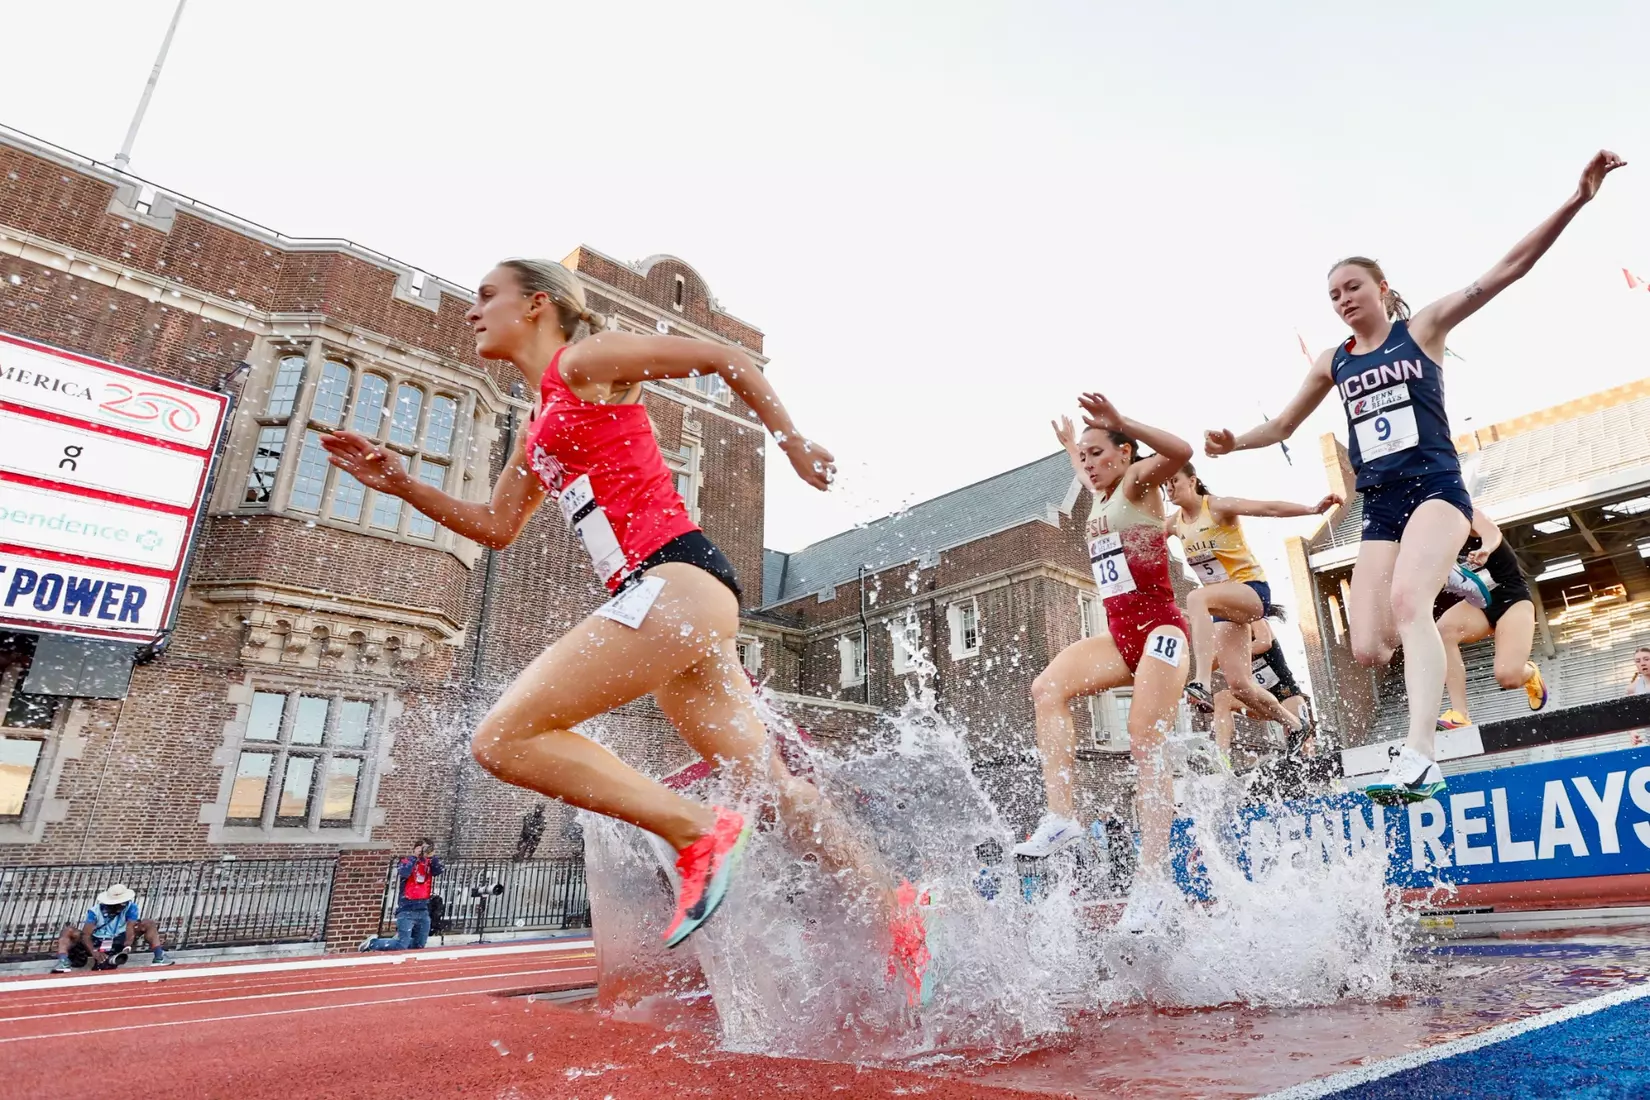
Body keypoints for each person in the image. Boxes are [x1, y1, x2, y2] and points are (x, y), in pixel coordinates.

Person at [322, 259, 921, 976]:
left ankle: (696, 830)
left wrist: (790, 440)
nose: (472, 311)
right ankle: (901, 920)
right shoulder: (538, 425)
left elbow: (724, 356)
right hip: (679, 601)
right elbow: (495, 526)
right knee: (772, 787)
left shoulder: (584, 362)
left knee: (504, 738)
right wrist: (401, 483)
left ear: (538, 304)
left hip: (672, 576)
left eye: (489, 297)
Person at [1203, 149, 1626, 804]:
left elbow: (1507, 272)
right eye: (1333, 294)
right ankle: (1442, 619)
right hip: (1380, 505)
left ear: (1380, 287)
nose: (1343, 300)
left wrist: (1578, 197)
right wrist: (1236, 442)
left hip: (1434, 490)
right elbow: (1283, 426)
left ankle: (1423, 753)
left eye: (1352, 287)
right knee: (1370, 645)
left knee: (1407, 605)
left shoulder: (1421, 330)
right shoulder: (1332, 360)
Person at [1016, 396, 1193, 930]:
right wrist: (1072, 445)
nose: (1089, 464)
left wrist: (1120, 422)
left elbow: (1181, 449)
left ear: (1125, 453)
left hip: (1162, 631)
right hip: (1118, 635)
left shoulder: (1139, 484)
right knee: (1046, 689)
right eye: (1084, 458)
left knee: (1144, 741)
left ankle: (1155, 882)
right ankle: (1062, 816)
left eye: (1099, 454)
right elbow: (1085, 463)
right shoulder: (1098, 493)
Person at [1163, 461, 1338, 736]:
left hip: (1251, 591)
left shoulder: (1217, 507)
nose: (1169, 488)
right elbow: (1143, 540)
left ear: (1192, 480)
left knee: (1196, 598)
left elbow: (1267, 508)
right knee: (1240, 686)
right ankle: (1295, 725)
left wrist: (1312, 509)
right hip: (1222, 606)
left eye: (1174, 480)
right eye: (1165, 484)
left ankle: (1202, 684)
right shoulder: (1174, 523)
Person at [1435, 506, 1547, 728]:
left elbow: (1492, 532)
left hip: (1511, 598)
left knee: (1508, 677)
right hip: (1478, 602)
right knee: (1443, 631)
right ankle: (1460, 714)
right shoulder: (1428, 534)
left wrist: (1486, 548)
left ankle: (1530, 673)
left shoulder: (1463, 512)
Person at [1211, 617, 1312, 757]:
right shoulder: (1227, 633)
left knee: (1304, 742)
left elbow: (1264, 643)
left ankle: (1315, 766)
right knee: (1221, 698)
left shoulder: (1253, 618)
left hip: (1286, 693)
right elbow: (1212, 664)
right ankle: (1221, 757)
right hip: (1259, 699)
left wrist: (1235, 652)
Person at [51, 884, 173, 972]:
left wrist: (127, 946)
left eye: (123, 902)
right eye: (118, 904)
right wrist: (94, 951)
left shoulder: (131, 907)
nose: (121, 906)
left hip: (119, 937)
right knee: (68, 931)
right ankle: (63, 962)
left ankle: (159, 957)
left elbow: (130, 927)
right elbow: (86, 935)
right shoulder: (95, 911)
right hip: (97, 939)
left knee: (148, 923)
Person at [360, 838, 444, 952]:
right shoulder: (406, 861)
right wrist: (415, 858)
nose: (424, 850)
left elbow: (439, 871)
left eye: (427, 848)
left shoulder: (429, 864)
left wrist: (432, 857)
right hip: (406, 909)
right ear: (415, 848)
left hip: (423, 909)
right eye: (422, 847)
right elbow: (404, 872)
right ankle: (373, 943)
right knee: (402, 945)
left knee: (419, 945)